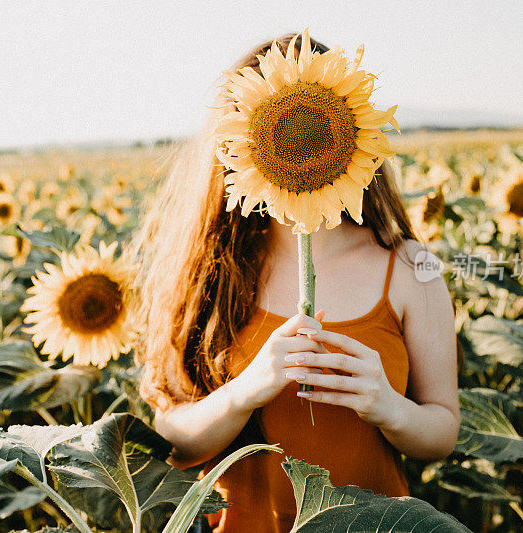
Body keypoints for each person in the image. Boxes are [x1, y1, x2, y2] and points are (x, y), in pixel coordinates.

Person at [129, 31, 460, 533]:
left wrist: (388, 407)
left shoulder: (412, 269)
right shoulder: (209, 269)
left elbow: (441, 434)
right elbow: (172, 437)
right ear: (234, 147)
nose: (300, 140)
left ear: (357, 139)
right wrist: (245, 392)